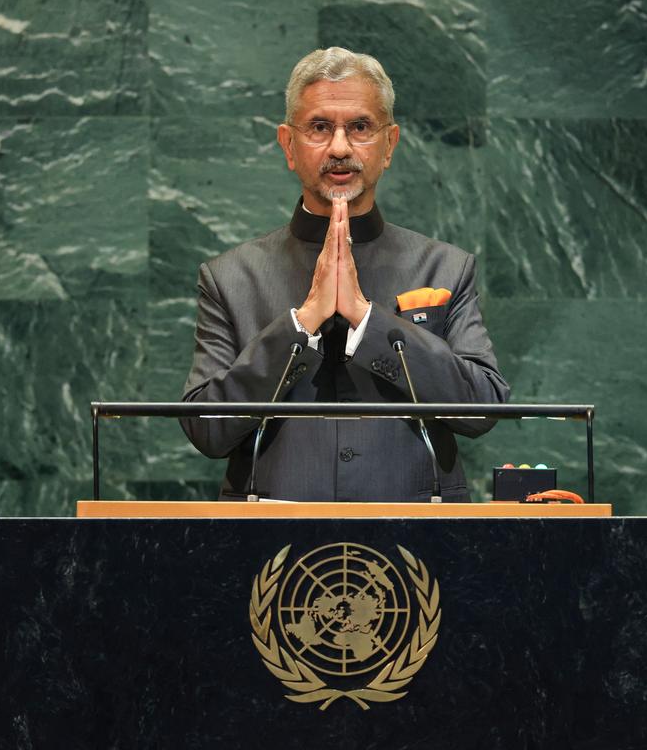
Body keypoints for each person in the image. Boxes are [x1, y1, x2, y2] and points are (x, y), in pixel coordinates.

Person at [180, 47, 509, 501]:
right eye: (319, 127)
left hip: (418, 532)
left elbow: (483, 409)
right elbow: (206, 429)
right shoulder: (230, 277)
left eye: (360, 127)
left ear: (389, 145)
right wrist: (302, 324)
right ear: (288, 145)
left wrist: (367, 320)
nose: (339, 148)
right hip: (269, 535)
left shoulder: (447, 267)